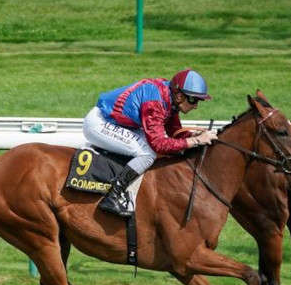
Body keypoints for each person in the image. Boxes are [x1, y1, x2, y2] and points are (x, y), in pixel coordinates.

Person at [83, 68, 217, 217]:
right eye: (194, 100)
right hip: (100, 123)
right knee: (148, 153)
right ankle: (113, 195)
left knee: (151, 148)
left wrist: (194, 136)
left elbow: (174, 132)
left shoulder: (170, 98)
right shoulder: (155, 103)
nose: (196, 105)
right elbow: (158, 144)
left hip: (120, 124)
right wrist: (195, 140)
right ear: (180, 96)